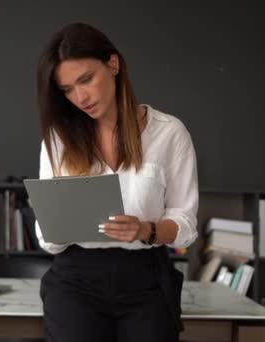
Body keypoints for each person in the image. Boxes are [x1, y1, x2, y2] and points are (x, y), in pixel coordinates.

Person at [35, 22, 199, 342]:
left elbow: (186, 222)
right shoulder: (58, 140)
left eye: (86, 79)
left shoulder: (169, 133)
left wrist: (145, 229)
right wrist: (56, 226)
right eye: (67, 90)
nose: (80, 97)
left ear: (113, 64)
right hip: (75, 281)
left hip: (146, 279)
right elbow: (48, 240)